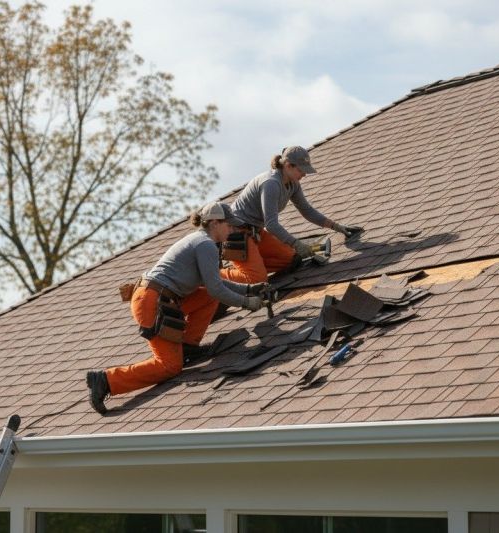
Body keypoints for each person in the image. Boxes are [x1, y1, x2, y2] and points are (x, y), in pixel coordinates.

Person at [86, 202, 268, 414]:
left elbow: (213, 284)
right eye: (229, 225)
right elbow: (217, 288)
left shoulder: (200, 241)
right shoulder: (205, 245)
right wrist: (247, 302)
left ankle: (188, 347)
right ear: (215, 223)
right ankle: (106, 380)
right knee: (169, 366)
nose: (233, 230)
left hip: (160, 297)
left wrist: (249, 289)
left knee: (208, 297)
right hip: (152, 302)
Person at [222, 146, 362, 283]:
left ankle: (251, 266)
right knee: (257, 279)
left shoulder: (293, 183)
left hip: (255, 233)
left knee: (291, 259)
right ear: (288, 165)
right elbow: (271, 225)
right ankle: (215, 275)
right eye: (301, 170)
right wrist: (296, 244)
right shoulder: (271, 183)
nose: (304, 174)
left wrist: (336, 226)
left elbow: (307, 210)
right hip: (236, 234)